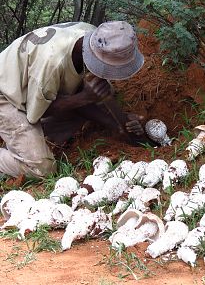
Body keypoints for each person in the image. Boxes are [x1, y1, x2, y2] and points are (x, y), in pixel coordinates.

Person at [0, 21, 145, 178]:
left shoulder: (93, 37)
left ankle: (35, 137)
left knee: (103, 91)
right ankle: (21, 143)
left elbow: (74, 91)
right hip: (7, 95)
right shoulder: (51, 65)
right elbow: (36, 112)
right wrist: (84, 97)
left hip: (33, 87)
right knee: (43, 169)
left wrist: (116, 125)